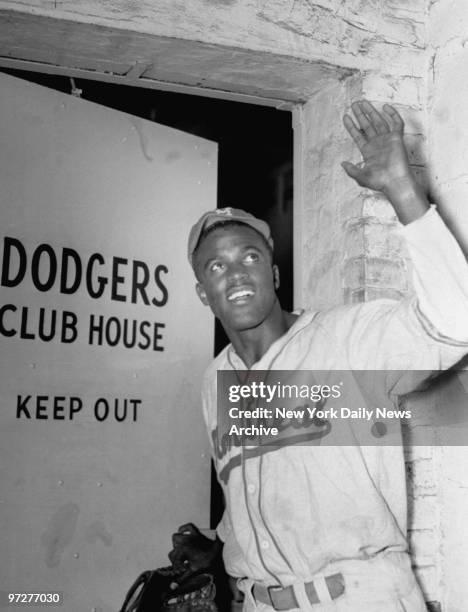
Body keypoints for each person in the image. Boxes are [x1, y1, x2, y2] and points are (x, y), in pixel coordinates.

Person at [169, 100, 468, 611]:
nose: (235, 273)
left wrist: (402, 188)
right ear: (203, 293)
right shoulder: (216, 378)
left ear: (274, 274)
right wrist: (220, 544)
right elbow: (257, 479)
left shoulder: (346, 340)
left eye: (250, 257)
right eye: (215, 267)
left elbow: (454, 324)